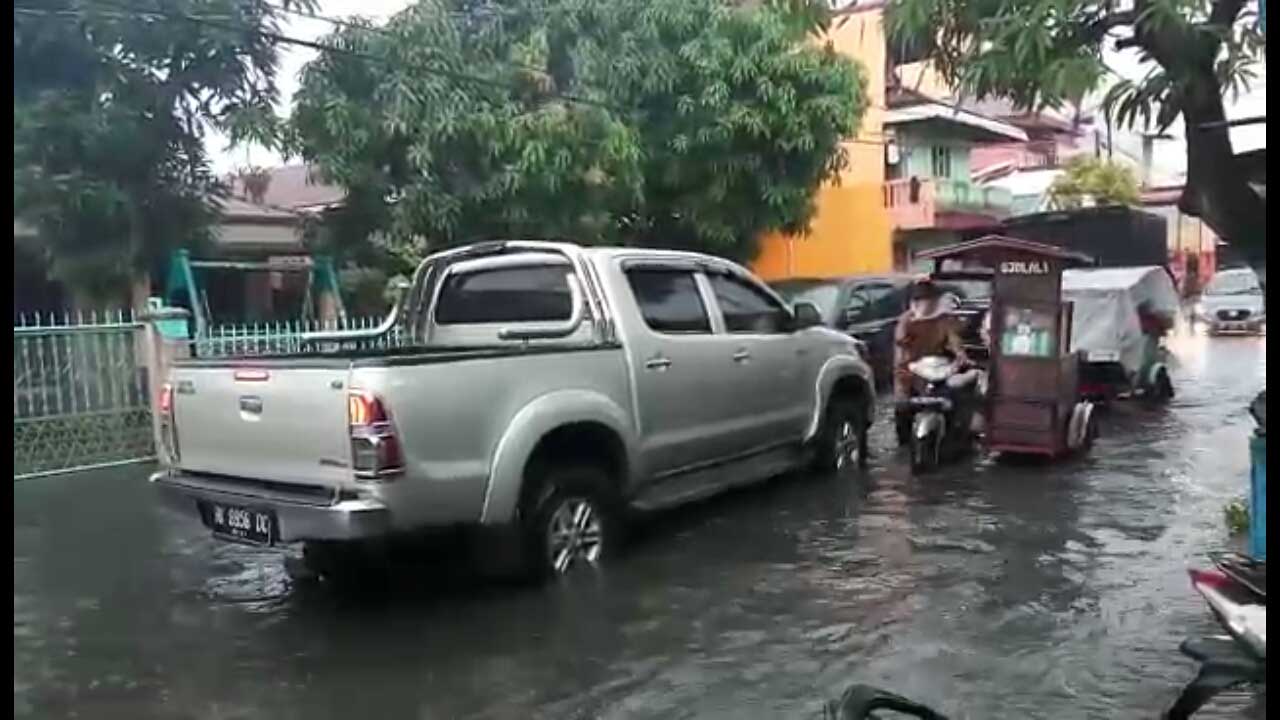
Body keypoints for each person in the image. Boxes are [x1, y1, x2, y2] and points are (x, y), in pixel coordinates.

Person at [893, 278, 968, 444]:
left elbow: (954, 341)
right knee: (902, 405)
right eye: (918, 300)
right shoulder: (906, 321)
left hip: (940, 366)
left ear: (934, 300)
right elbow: (900, 346)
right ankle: (904, 439)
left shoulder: (944, 320)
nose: (922, 304)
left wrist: (959, 355)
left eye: (926, 300)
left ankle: (954, 437)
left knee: (955, 395)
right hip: (912, 369)